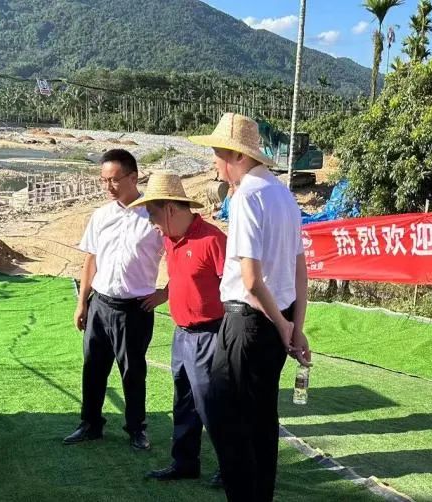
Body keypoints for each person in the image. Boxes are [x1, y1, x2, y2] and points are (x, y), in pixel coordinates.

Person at [189, 113, 312, 501]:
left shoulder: (247, 196)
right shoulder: (283, 194)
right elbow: (300, 269)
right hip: (277, 321)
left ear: (236, 156)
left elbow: (251, 279)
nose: (214, 162)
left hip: (249, 323)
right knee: (261, 421)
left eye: (217, 154)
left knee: (232, 421)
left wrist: (283, 325)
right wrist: (294, 326)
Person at [128, 171, 226, 486]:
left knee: (212, 405)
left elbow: (234, 286)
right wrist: (165, 293)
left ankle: (232, 467)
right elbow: (182, 276)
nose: (151, 223)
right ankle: (184, 462)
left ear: (170, 209)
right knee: (183, 400)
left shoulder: (212, 239)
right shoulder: (170, 239)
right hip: (181, 333)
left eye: (153, 214)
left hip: (210, 334)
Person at [63, 149, 163, 451]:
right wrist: (82, 302)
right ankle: (90, 424)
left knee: (133, 372)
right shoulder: (101, 215)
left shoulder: (154, 216)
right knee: (93, 368)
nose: (108, 187)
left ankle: (136, 428)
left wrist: (164, 293)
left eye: (114, 180)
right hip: (100, 304)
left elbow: (180, 257)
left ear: (134, 177)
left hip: (135, 309)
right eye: (103, 180)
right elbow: (90, 260)